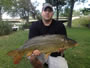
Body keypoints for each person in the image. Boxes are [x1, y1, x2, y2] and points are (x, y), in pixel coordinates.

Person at [28, 3, 67, 68]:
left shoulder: (60, 26)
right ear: (41, 12)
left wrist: (63, 48)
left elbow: (64, 44)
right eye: (45, 10)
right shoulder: (34, 26)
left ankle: (51, 62)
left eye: (50, 11)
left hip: (55, 55)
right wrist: (34, 51)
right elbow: (31, 43)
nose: (47, 12)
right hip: (40, 53)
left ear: (52, 13)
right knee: (32, 58)